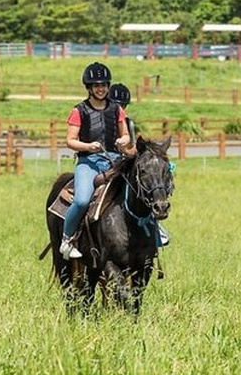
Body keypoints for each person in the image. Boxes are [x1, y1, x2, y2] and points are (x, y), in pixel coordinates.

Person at [59, 63, 131, 260]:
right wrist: (88, 146)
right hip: (88, 162)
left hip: (114, 161)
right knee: (82, 200)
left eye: (104, 85)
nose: (101, 89)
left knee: (141, 190)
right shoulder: (79, 110)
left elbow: (126, 135)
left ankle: (156, 232)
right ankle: (67, 239)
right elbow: (70, 141)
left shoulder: (117, 109)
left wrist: (122, 140)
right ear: (89, 88)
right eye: (96, 85)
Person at [109, 82, 171, 248]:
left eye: (123, 105)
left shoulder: (128, 123)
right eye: (116, 105)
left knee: (142, 190)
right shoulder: (99, 120)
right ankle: (75, 232)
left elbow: (132, 147)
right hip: (101, 162)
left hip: (122, 163)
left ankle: (155, 227)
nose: (120, 108)